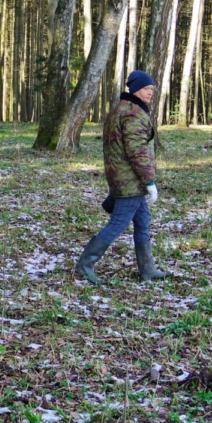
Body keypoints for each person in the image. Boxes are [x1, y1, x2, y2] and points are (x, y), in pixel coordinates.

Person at [74, 70, 167, 284]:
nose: (150, 92)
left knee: (143, 221)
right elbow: (137, 151)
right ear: (135, 89)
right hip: (130, 181)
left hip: (122, 176)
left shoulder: (121, 109)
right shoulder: (133, 113)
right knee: (118, 223)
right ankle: (84, 265)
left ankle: (148, 269)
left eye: (152, 89)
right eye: (146, 89)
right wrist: (149, 181)